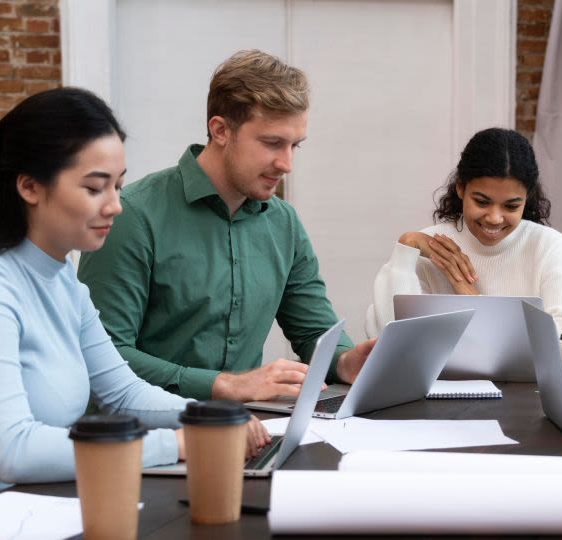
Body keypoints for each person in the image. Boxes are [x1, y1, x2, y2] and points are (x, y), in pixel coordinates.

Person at [0, 88, 271, 513]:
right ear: (29, 186)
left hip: (32, 501)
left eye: (118, 185)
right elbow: (12, 448)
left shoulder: (61, 277)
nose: (115, 206)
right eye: (96, 188)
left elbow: (123, 393)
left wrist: (210, 418)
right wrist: (181, 443)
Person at [77, 50, 375, 403]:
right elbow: (101, 354)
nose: (287, 163)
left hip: (246, 428)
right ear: (220, 130)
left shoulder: (284, 223)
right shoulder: (133, 216)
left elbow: (313, 331)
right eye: (271, 143)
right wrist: (222, 384)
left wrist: (344, 361)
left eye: (295, 145)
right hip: (144, 433)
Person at [365, 127, 562, 337]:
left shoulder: (549, 247)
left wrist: (473, 299)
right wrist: (406, 248)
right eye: (481, 202)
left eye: (511, 206)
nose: (494, 218)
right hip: (443, 378)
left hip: (527, 379)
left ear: (527, 198)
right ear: (460, 188)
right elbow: (387, 335)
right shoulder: (431, 247)